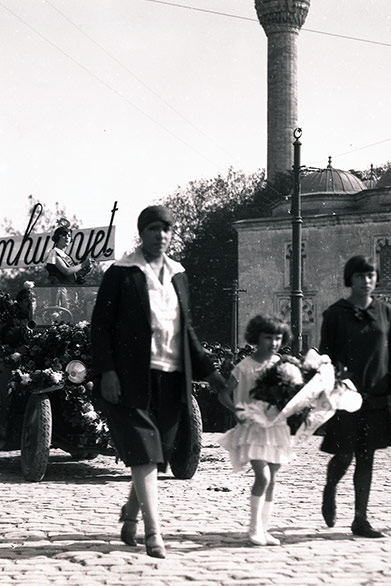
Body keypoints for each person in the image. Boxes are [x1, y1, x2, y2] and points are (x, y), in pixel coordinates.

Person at [90, 205, 225, 559]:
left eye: (166, 230)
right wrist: (107, 371)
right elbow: (100, 327)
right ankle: (154, 533)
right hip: (130, 377)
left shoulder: (179, 274)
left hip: (170, 377)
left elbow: (187, 332)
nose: (160, 235)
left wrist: (212, 374)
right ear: (142, 233)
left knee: (155, 452)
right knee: (144, 448)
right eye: (153, 229)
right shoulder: (121, 273)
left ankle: (131, 515)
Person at [318, 255, 391, 539]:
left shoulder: (387, 313)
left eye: (371, 276)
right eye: (359, 276)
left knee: (367, 457)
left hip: (375, 397)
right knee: (344, 454)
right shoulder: (335, 314)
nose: (366, 281)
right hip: (345, 395)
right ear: (349, 279)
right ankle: (330, 488)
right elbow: (324, 356)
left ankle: (360, 519)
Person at [216, 315, 293, 546]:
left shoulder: (282, 364)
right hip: (253, 427)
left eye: (278, 338)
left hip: (276, 428)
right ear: (256, 338)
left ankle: (264, 528)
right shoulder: (245, 366)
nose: (273, 343)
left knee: (273, 479)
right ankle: (253, 528)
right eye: (268, 337)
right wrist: (238, 411)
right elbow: (223, 394)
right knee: (263, 476)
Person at [45, 225, 91, 309]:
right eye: (64, 235)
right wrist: (83, 264)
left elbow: (73, 275)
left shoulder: (67, 256)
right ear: (57, 237)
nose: (67, 237)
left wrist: (84, 271)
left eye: (69, 236)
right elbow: (66, 271)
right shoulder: (54, 252)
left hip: (70, 292)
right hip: (59, 292)